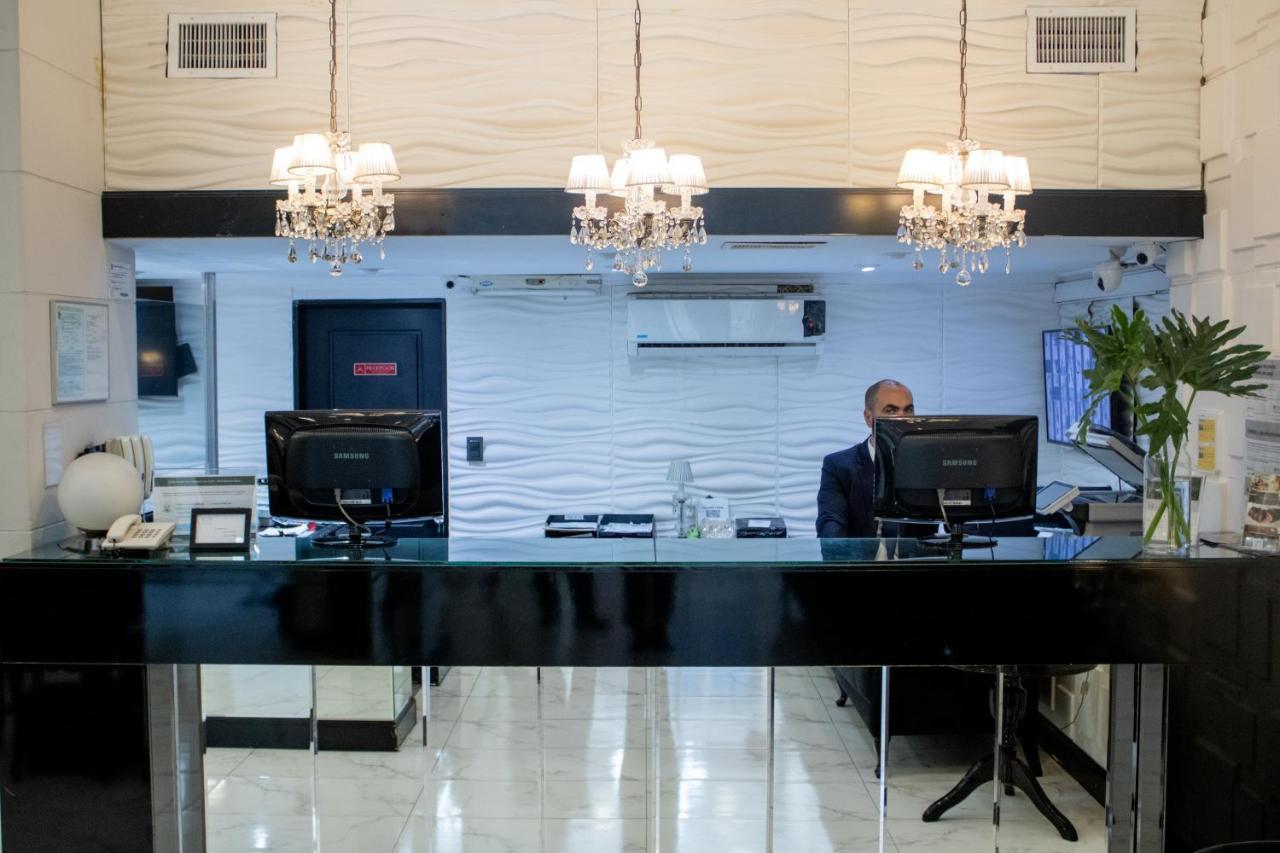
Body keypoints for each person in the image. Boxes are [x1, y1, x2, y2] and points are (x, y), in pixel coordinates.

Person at [816, 379, 915, 538]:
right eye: (891, 411)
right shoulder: (838, 466)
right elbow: (831, 527)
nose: (902, 419)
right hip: (858, 555)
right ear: (869, 418)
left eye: (908, 410)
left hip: (914, 555)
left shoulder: (925, 464)